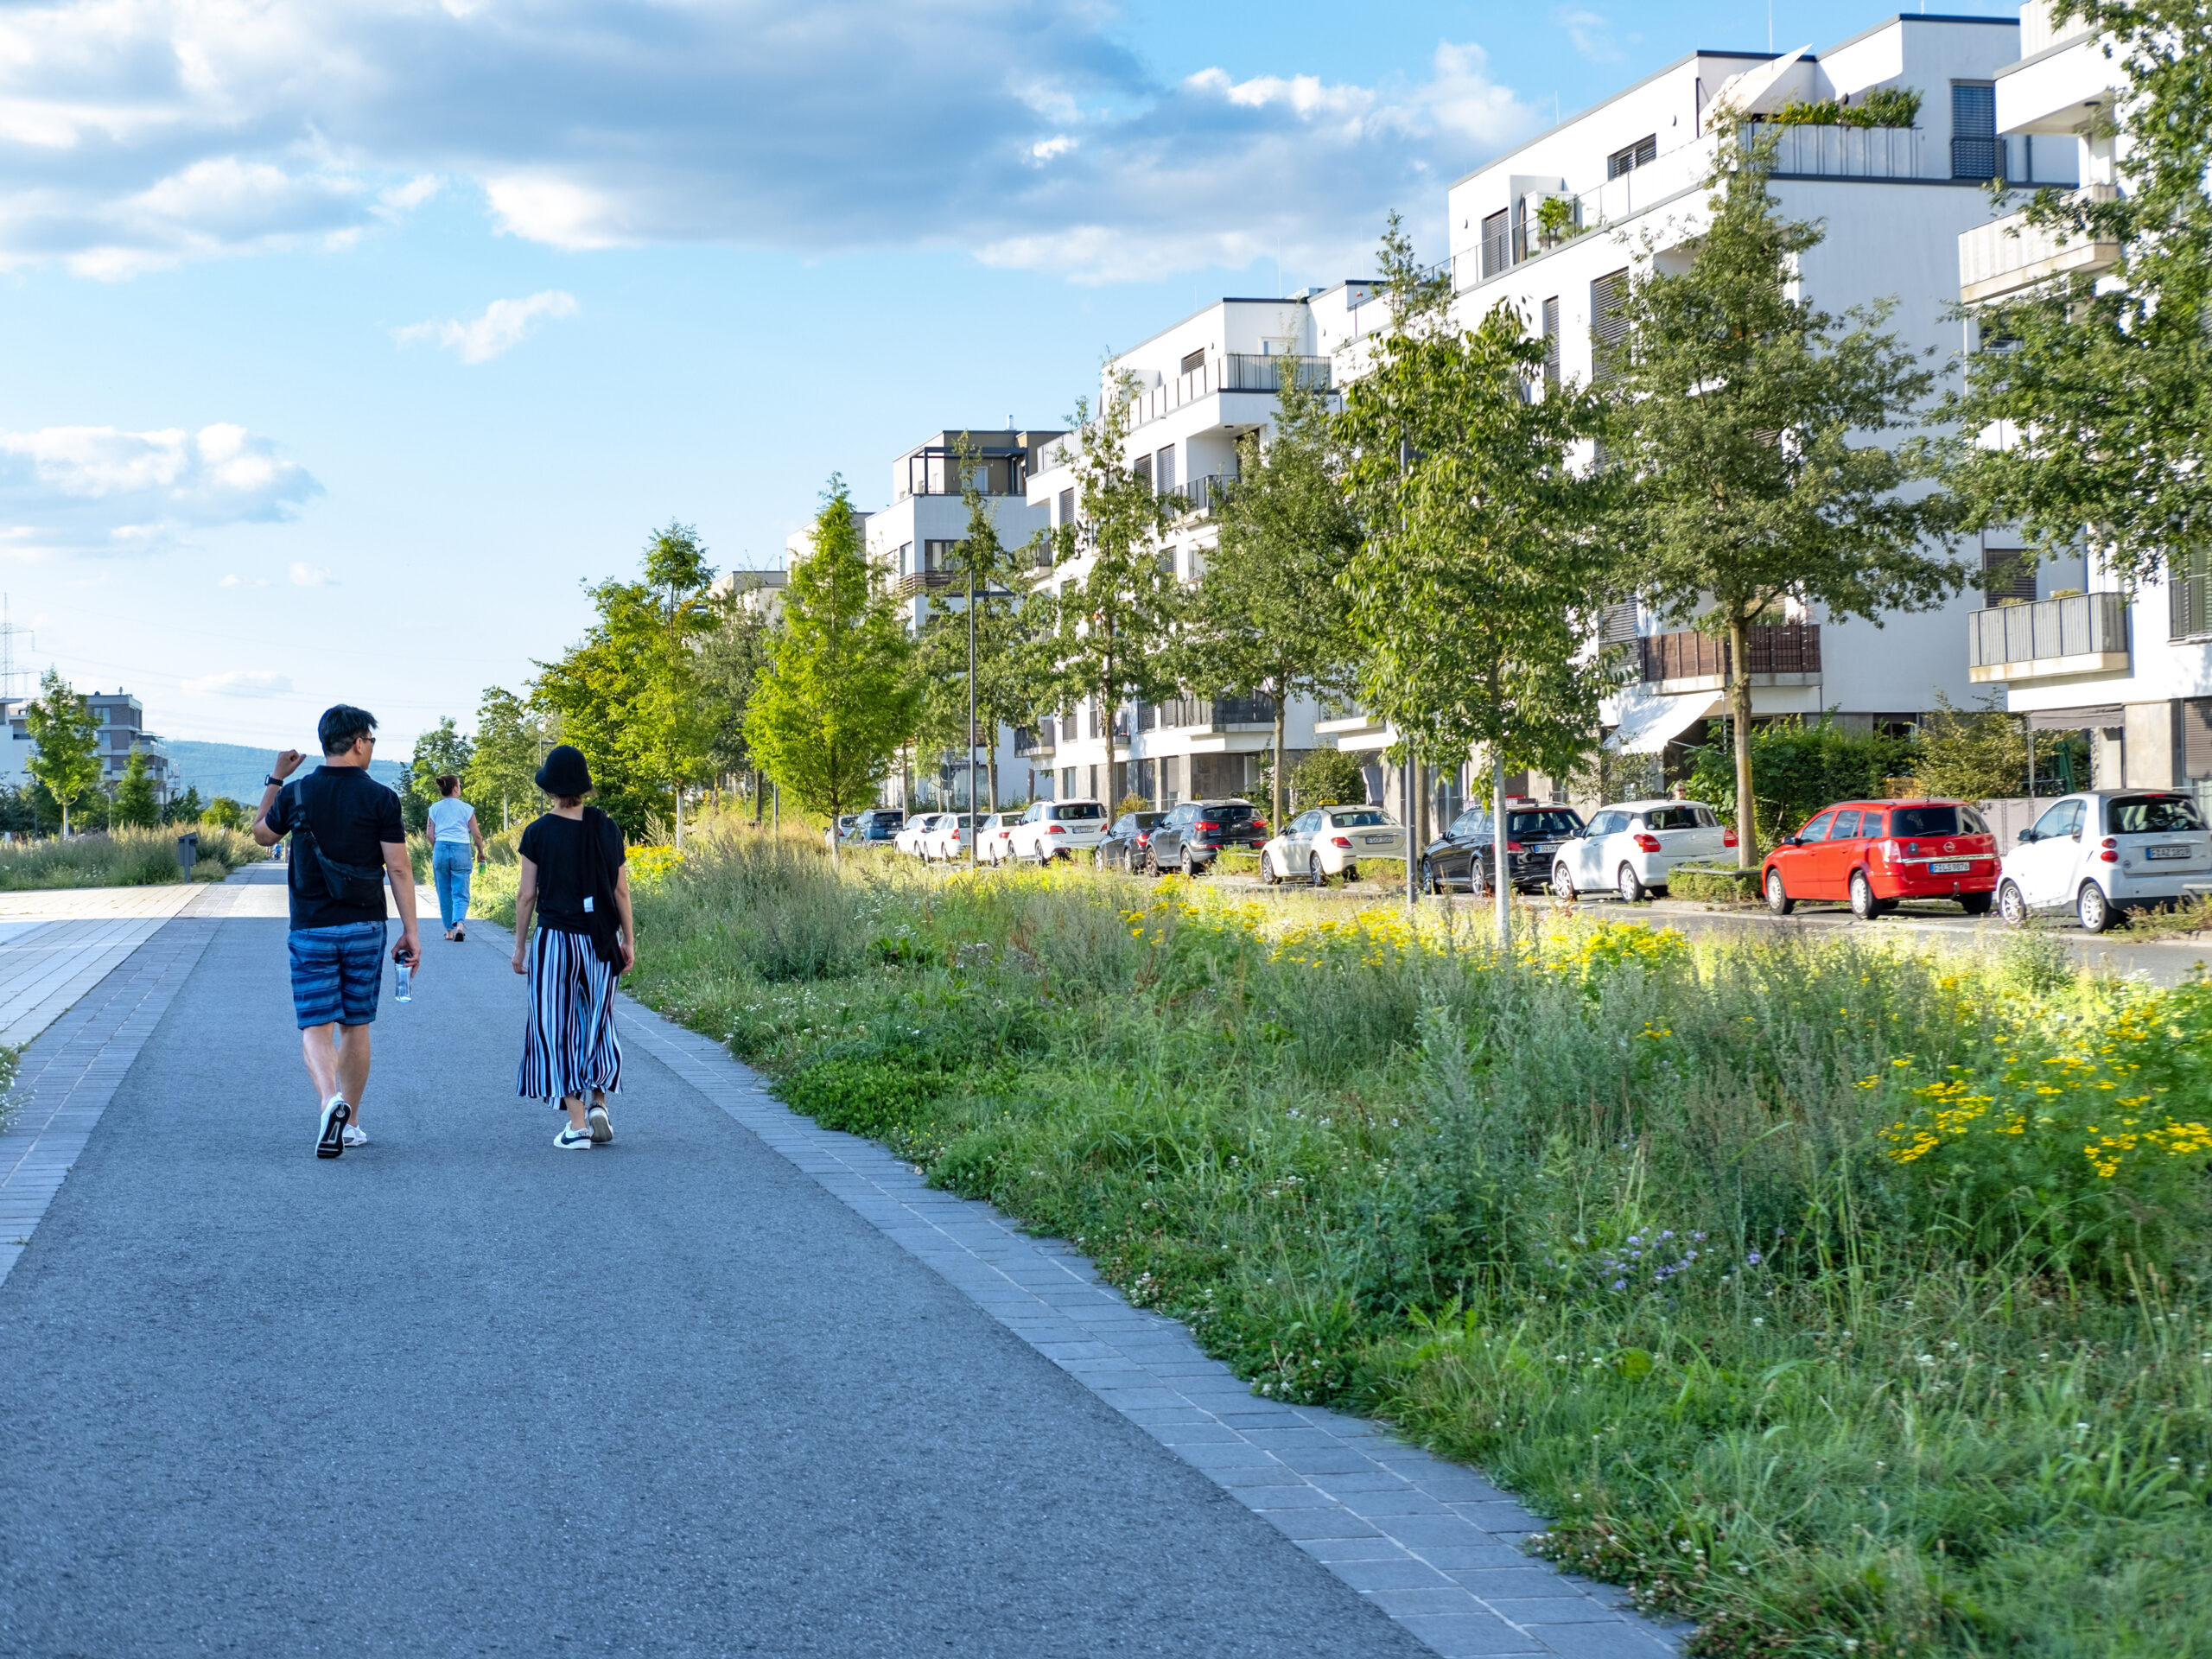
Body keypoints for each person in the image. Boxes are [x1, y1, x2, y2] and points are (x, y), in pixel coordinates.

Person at [252, 704, 421, 1159]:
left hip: (311, 928)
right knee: (356, 1025)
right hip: (366, 925)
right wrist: (411, 931)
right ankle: (352, 1124)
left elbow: (261, 836)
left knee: (315, 1024)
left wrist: (275, 779)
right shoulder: (382, 798)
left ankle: (330, 1101)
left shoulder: (297, 795)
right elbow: (399, 870)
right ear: (360, 742)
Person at [511, 745, 633, 1151]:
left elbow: (527, 896)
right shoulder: (606, 827)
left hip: (554, 941)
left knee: (554, 1026)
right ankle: (598, 1099)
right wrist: (628, 939)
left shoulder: (537, 832)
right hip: (600, 940)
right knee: (597, 1019)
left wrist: (519, 947)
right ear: (583, 787)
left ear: (550, 789)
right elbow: (620, 889)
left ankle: (577, 1123)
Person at [426, 774, 488, 943]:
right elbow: (476, 834)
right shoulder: (467, 809)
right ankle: (460, 925)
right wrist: (480, 851)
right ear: (455, 788)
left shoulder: (434, 808)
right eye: (459, 785)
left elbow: (430, 834)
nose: (460, 788)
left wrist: (438, 849)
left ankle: (449, 931)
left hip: (440, 849)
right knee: (460, 891)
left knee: (443, 891)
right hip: (461, 849)